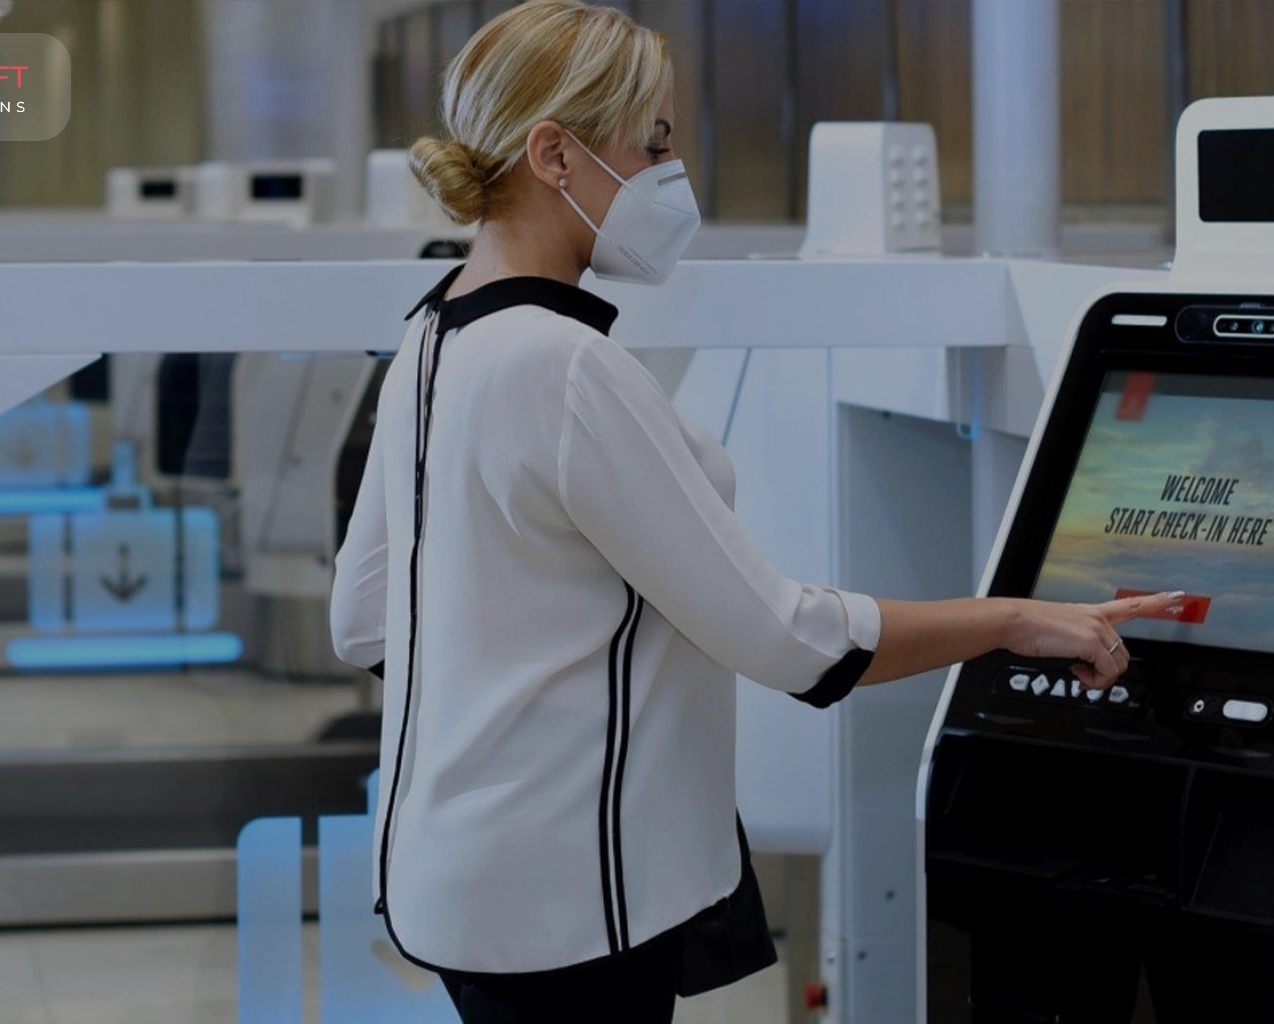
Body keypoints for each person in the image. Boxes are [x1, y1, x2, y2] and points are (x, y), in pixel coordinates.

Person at [328, 3, 1183, 1020]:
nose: (667, 172)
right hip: (565, 898)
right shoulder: (562, 367)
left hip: (456, 876)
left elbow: (364, 618)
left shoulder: (434, 331)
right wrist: (1008, 619)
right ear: (552, 152)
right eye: (650, 141)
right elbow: (788, 640)